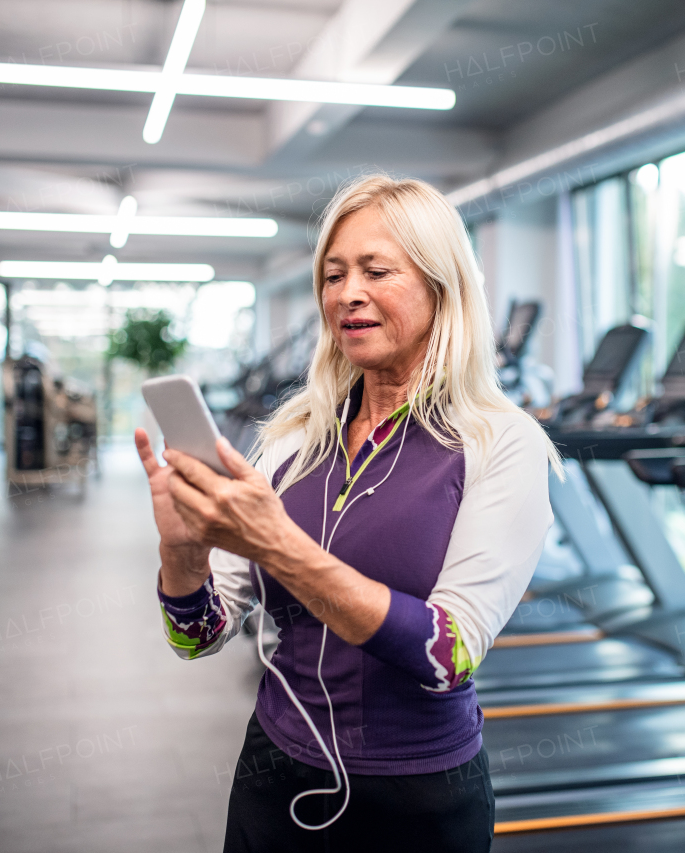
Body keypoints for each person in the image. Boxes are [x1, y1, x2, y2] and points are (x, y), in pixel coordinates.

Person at [135, 174, 558, 852]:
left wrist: (278, 545)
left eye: (375, 270)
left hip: (417, 800)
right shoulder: (293, 438)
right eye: (333, 275)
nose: (347, 292)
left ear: (440, 285)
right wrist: (182, 554)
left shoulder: (500, 443)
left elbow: (447, 651)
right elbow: (199, 636)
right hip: (274, 776)